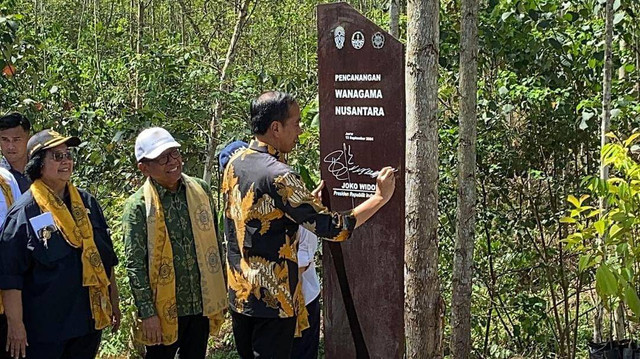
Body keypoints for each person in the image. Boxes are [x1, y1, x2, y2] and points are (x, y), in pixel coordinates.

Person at [222, 91, 396, 358]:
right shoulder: (279, 174)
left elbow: (254, 218)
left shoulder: (235, 163)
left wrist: (299, 207)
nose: (301, 131)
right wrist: (379, 198)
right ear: (275, 128)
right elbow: (335, 227)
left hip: (240, 296)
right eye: (296, 123)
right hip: (274, 301)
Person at [0, 129, 120, 359]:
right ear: (38, 165)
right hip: (46, 332)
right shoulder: (26, 212)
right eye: (57, 156)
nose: (66, 161)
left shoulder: (86, 203)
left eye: (68, 155)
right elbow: (10, 277)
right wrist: (15, 326)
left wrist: (113, 301)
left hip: (87, 324)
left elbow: (105, 256)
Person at [122, 127, 226, 359]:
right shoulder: (138, 206)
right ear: (144, 167)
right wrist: (148, 314)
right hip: (162, 309)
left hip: (199, 302)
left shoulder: (200, 190)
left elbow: (215, 244)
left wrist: (222, 287)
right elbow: (135, 265)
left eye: (175, 154)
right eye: (162, 158)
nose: (173, 162)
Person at [219, 140, 321, 359]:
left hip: (298, 298)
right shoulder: (239, 211)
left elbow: (307, 248)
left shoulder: (282, 195)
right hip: (260, 303)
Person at [0, 113, 32, 193]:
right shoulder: (1, 175)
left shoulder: (43, 170)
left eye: (16, 140)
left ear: (29, 139)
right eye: (5, 140)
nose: (10, 146)